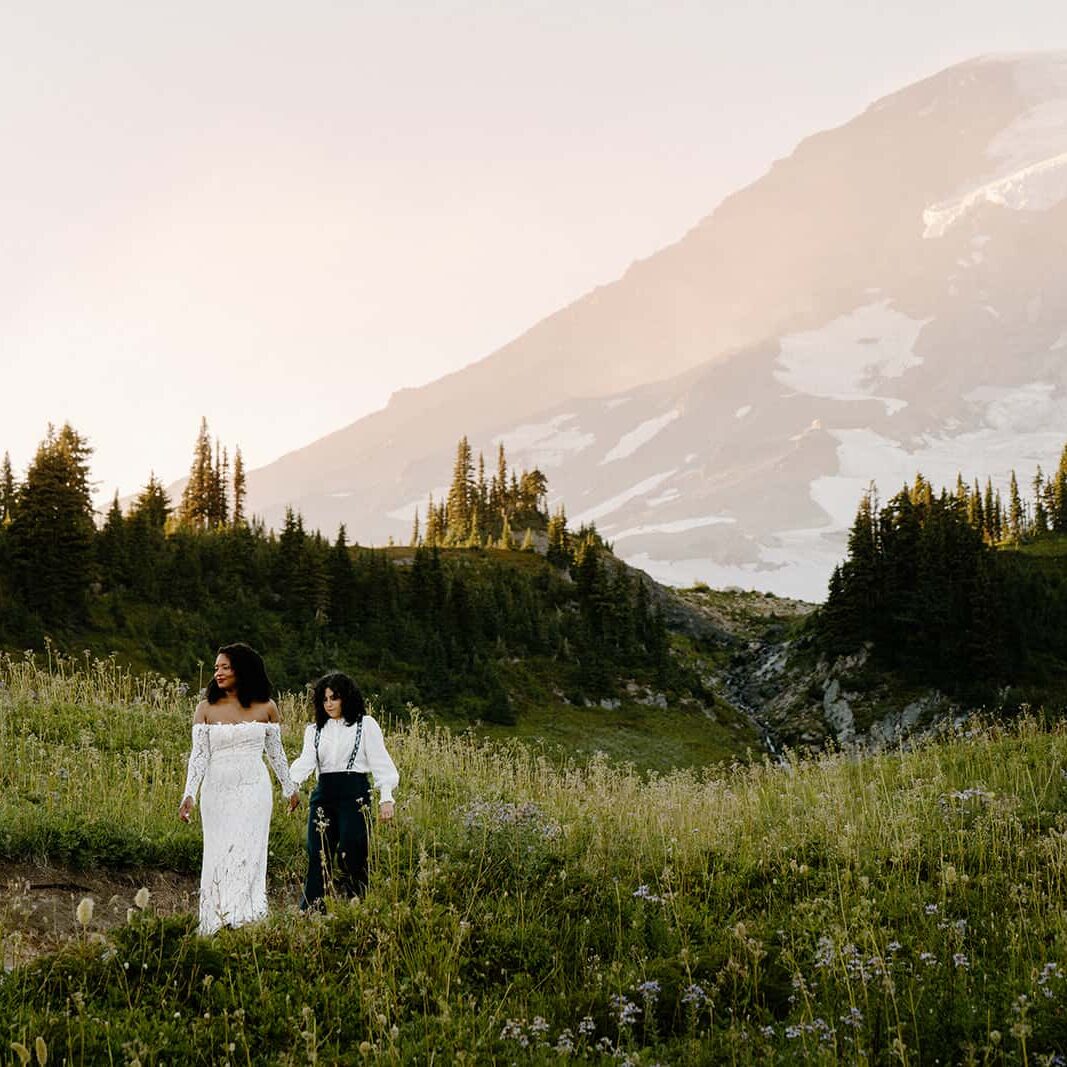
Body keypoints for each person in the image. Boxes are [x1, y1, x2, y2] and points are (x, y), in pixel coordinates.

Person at [178, 642, 299, 934]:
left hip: (253, 788)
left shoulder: (267, 707)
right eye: (216, 667)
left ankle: (245, 919)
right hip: (216, 790)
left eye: (225, 667)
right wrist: (189, 794)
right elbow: (199, 755)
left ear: (241, 670)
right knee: (219, 853)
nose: (218, 673)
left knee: (249, 851)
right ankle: (216, 921)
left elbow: (275, 753)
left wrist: (289, 787)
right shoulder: (205, 708)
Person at [288, 671, 398, 909]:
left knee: (352, 849)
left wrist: (386, 798)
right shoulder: (314, 730)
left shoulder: (365, 725)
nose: (329, 704)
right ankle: (313, 909)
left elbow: (381, 762)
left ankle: (357, 904)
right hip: (324, 794)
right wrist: (292, 786)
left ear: (346, 698)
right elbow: (306, 761)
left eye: (334, 698)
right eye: (325, 699)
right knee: (318, 851)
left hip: (355, 792)